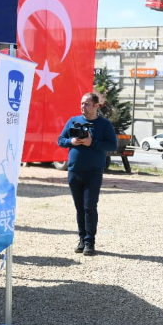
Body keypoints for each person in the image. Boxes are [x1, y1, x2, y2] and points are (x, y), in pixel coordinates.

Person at [57, 91, 118, 256]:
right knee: (79, 208)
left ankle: (90, 242)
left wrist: (93, 143)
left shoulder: (104, 124)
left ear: (96, 106)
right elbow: (60, 140)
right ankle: (82, 239)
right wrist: (71, 141)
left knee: (89, 206)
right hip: (75, 170)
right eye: (82, 103)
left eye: (87, 104)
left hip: (93, 172)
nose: (83, 106)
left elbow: (112, 145)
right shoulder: (73, 121)